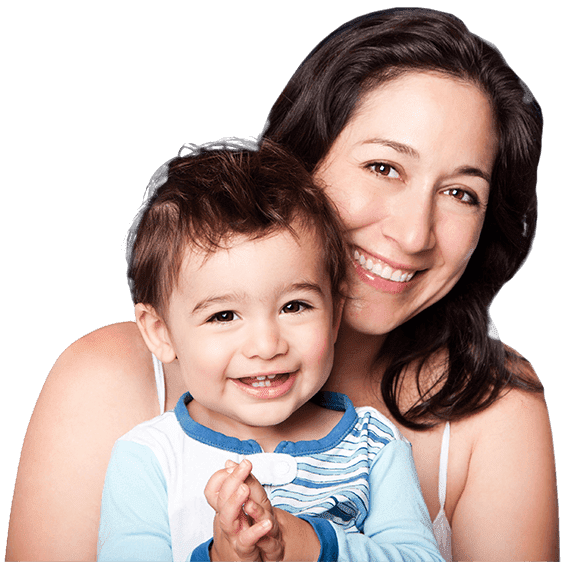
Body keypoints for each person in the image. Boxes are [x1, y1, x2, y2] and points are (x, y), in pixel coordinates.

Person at [6, 8, 559, 562]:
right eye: (383, 167)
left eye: (461, 193)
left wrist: (308, 542)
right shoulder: (108, 381)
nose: (414, 234)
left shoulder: (493, 409)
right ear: (299, 160)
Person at [97, 139, 443, 562]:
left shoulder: (373, 446)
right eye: (223, 316)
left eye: (294, 306)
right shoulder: (149, 459)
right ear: (160, 332)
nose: (266, 346)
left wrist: (308, 544)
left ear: (335, 316)